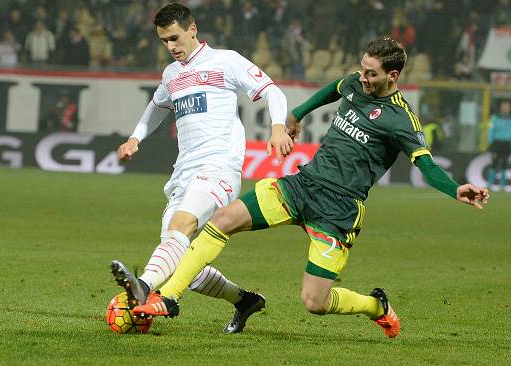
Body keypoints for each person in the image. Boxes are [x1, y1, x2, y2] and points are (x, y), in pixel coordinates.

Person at [132, 37, 490, 339]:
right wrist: (295, 117)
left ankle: (375, 305)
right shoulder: (354, 83)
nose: (362, 78)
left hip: (339, 211)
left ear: (392, 75)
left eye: (371, 73)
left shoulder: (401, 119)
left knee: (314, 302)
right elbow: (330, 90)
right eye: (362, 69)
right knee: (223, 218)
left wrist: (456, 188)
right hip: (303, 186)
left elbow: (425, 165)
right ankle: (170, 297)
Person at [110, 2, 293, 334]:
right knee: (181, 262)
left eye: (176, 38)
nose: (171, 47)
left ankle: (143, 285)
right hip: (183, 172)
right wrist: (135, 138)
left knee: (181, 226)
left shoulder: (226, 60)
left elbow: (272, 91)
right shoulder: (171, 75)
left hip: (219, 165)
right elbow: (155, 108)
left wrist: (278, 127)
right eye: (165, 41)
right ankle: (244, 300)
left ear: (192, 29)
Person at [486, 100, 511, 190]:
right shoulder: (495, 118)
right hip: (497, 143)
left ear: (510, 108)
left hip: (507, 143)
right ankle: (490, 184)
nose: (505, 108)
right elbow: (490, 130)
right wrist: (490, 142)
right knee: (494, 162)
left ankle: (502, 185)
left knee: (504, 163)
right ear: (501, 107)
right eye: (504, 106)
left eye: (507, 107)